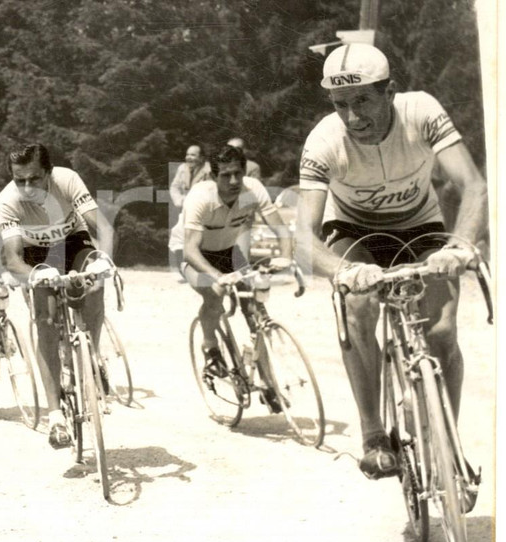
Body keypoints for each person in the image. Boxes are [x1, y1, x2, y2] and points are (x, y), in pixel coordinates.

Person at [296, 43, 487, 487]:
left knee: (441, 331)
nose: (352, 117)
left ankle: (448, 446)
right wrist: (343, 272)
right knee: (359, 308)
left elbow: (473, 185)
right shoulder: (324, 140)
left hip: (420, 227)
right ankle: (373, 434)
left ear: (390, 93)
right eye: (341, 105)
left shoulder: (421, 111)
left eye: (362, 100)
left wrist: (457, 247)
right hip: (354, 232)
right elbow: (303, 238)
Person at [0, 143, 104, 449]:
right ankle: (55, 415)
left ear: (48, 172)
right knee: (45, 319)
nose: (27, 187)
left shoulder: (67, 179)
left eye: (34, 178)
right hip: (35, 252)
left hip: (72, 240)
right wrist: (33, 276)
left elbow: (102, 227)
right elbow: (13, 258)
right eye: (20, 180)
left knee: (95, 283)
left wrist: (106, 260)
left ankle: (92, 355)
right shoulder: (7, 200)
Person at [169, 145, 293, 389]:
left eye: (238, 173)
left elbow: (280, 229)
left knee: (254, 308)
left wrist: (286, 257)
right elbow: (191, 251)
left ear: (244, 171)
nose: (234, 180)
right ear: (214, 177)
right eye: (225, 175)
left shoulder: (253, 189)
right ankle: (211, 350)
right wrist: (218, 277)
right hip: (189, 254)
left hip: (227, 251)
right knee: (215, 293)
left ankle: (268, 382)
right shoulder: (201, 197)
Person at [168, 144, 211, 209]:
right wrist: (179, 201)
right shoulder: (182, 168)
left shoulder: (209, 170)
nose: (188, 157)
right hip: (185, 208)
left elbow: (210, 193)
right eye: (187, 154)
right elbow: (174, 187)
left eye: (193, 155)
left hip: (203, 209)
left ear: (201, 158)